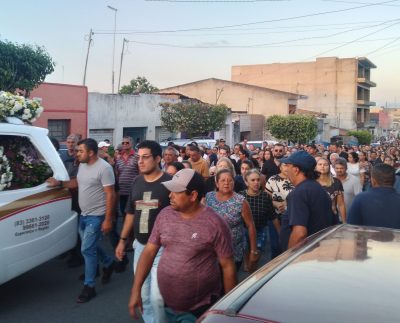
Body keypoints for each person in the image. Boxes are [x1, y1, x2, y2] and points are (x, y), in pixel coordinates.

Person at [128, 169, 237, 322]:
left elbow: (228, 267)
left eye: (176, 192)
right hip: (166, 305)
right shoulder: (164, 215)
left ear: (193, 195)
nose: (169, 195)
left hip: (198, 310)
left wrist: (228, 310)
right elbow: (149, 252)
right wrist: (136, 289)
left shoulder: (215, 224)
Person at [47, 138, 116, 303]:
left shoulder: (104, 168)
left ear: (91, 152)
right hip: (84, 214)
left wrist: (108, 219)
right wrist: (59, 183)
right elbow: (77, 182)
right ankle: (108, 262)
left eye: (80, 151)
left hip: (97, 215)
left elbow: (110, 194)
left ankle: (89, 286)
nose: (77, 153)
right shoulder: (83, 165)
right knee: (90, 245)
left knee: (87, 249)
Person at [115, 140, 171, 323]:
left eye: (145, 157)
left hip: (163, 248)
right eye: (139, 157)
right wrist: (123, 240)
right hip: (139, 246)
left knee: (158, 298)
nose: (140, 161)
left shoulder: (169, 183)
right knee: (144, 294)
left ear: (157, 159)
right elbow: (131, 213)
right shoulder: (137, 181)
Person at [279, 151, 337, 251]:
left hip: (303, 254)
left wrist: (289, 257)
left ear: (296, 170)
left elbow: (300, 233)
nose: (286, 169)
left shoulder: (299, 193)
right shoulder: (316, 188)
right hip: (317, 250)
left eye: (288, 166)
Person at [206, 169, 259, 271]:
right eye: (223, 180)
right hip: (212, 250)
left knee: (230, 282)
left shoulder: (240, 201)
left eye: (230, 180)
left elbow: (250, 225)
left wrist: (253, 251)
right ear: (217, 183)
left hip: (233, 250)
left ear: (234, 183)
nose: (226, 183)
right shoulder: (209, 197)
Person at [240, 169, 279, 268]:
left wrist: (280, 232)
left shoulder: (265, 196)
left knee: (255, 257)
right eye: (252, 180)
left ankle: (253, 273)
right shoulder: (240, 196)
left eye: (258, 180)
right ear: (246, 182)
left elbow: (273, 216)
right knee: (247, 254)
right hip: (243, 230)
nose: (256, 182)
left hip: (260, 230)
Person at [113, 136, 139, 272]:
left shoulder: (137, 157)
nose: (124, 144)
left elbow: (140, 173)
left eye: (127, 143)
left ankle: (130, 240)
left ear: (132, 144)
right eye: (122, 143)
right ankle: (127, 238)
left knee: (131, 215)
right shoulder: (118, 158)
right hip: (121, 191)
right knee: (124, 215)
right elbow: (117, 173)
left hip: (132, 191)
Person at [348, 164, 400, 228]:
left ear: (373, 180)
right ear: (394, 180)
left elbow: (351, 227)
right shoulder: (360, 199)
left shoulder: (360, 199)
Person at [265, 162, 295, 258]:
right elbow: (266, 198)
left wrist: (287, 203)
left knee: (291, 244)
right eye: (285, 165)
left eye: (289, 165)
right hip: (275, 217)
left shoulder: (296, 179)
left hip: (292, 217)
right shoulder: (272, 179)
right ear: (280, 167)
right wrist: (275, 203)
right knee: (276, 245)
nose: (287, 167)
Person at [316, 157, 346, 223]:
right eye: (320, 164)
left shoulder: (336, 182)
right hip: (315, 219)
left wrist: (344, 222)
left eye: (325, 164)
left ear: (329, 167)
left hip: (332, 218)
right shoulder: (311, 182)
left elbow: (341, 204)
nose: (322, 166)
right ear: (315, 167)